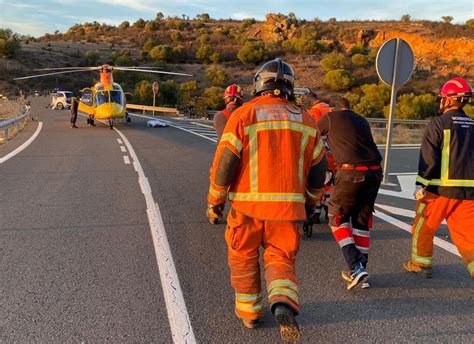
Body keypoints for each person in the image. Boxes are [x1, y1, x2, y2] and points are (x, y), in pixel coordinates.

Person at [206, 58, 327, 341]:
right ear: (290, 88)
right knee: (281, 258)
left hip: (247, 209)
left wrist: (215, 200)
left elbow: (225, 163)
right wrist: (310, 203)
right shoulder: (307, 121)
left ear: (259, 85)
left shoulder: (243, 116)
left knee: (243, 256)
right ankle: (283, 301)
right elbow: (319, 171)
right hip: (287, 211)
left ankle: (250, 313)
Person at [403, 77, 474, 279]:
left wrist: (421, 184)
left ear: (449, 100)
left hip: (439, 191)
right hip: (469, 192)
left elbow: (429, 158)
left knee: (423, 227)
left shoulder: (438, 123)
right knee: (469, 236)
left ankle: (420, 264)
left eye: (443, 98)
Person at [318, 97, 383, 290]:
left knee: (336, 218)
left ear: (333, 109)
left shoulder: (329, 118)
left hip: (351, 173)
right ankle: (362, 268)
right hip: (375, 173)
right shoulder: (361, 119)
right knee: (361, 220)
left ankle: (355, 267)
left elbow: (310, 136)